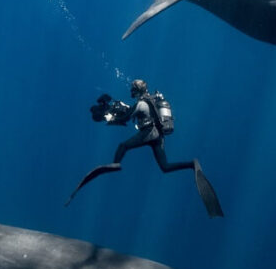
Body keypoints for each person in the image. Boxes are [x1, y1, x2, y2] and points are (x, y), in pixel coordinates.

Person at [66, 79, 224, 218]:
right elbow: (136, 113)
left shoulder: (141, 103)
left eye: (132, 89)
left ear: (136, 90)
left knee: (123, 146)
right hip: (158, 136)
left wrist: (111, 118)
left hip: (149, 133)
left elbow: (127, 117)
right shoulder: (152, 99)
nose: (130, 91)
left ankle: (115, 164)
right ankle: (192, 164)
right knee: (165, 167)